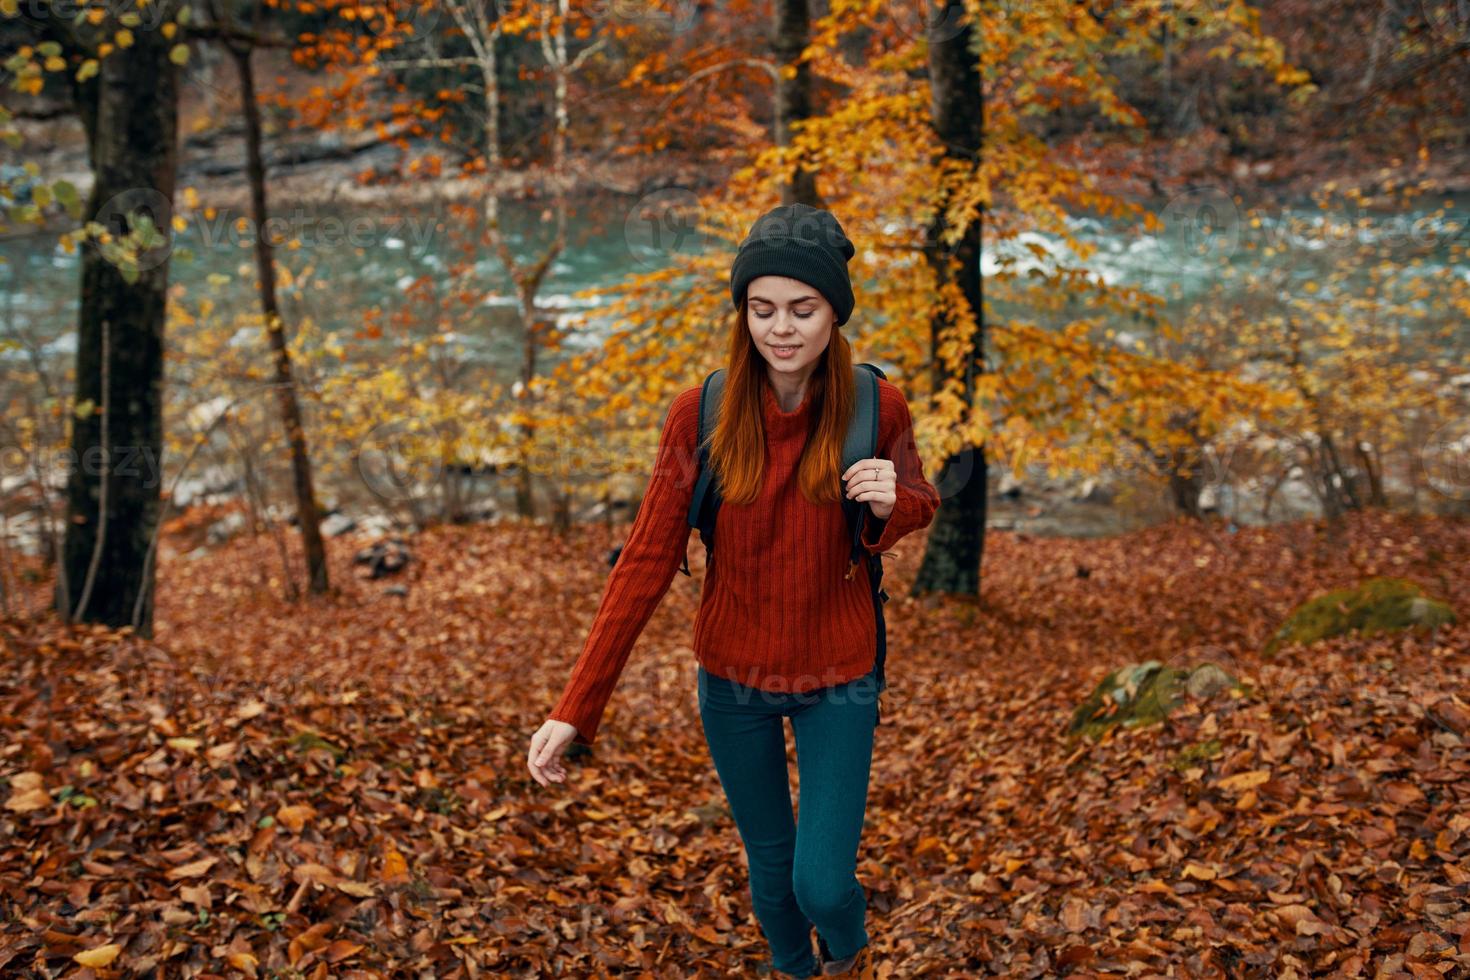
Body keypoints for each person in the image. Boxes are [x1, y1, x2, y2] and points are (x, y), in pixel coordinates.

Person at [527, 203, 940, 978]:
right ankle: (793, 970)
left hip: (839, 679)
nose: (781, 329)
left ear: (834, 315)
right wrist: (574, 708)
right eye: (762, 309)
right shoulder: (702, 415)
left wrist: (895, 501)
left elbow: (918, 498)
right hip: (732, 682)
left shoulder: (878, 407)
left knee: (821, 884)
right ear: (743, 311)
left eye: (802, 309)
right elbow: (645, 563)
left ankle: (848, 954)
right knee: (773, 873)